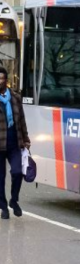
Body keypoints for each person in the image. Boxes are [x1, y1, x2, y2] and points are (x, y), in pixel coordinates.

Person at [0, 66, 31, 220]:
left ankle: (14, 200)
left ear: (6, 80)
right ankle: (3, 207)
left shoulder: (15, 98)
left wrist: (26, 139)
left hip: (14, 142)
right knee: (0, 178)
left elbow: (22, 120)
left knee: (17, 172)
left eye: (1, 78)